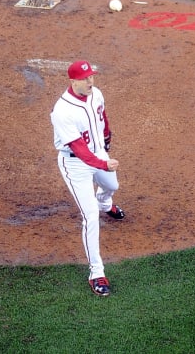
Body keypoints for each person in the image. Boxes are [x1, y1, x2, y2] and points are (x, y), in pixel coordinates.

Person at [50, 60, 125, 297]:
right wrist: (103, 163)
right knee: (90, 216)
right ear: (73, 81)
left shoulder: (97, 94)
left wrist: (107, 138)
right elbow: (80, 150)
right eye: (85, 78)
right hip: (75, 164)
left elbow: (103, 118)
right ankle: (96, 273)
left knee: (112, 185)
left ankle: (105, 203)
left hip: (98, 153)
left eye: (91, 76)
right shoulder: (62, 111)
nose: (90, 81)